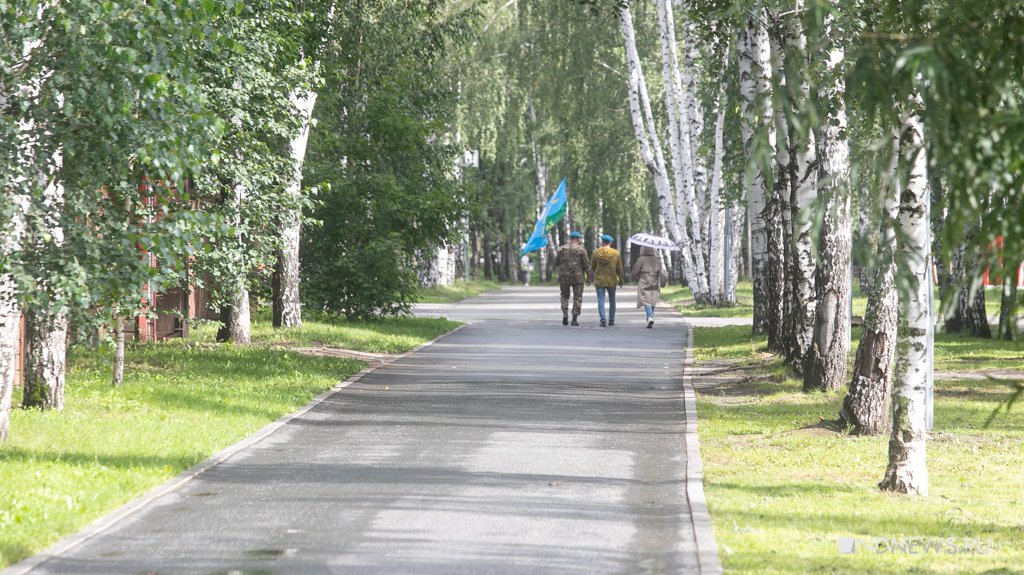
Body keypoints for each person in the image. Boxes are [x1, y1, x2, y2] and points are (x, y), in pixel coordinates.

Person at [590, 234, 624, 327]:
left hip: (599, 280)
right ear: (611, 242)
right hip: (612, 280)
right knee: (612, 300)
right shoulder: (616, 253)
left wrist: (590, 277)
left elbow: (592, 266)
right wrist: (621, 279)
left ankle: (603, 320)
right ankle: (611, 320)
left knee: (601, 300)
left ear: (602, 242)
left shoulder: (596, 253)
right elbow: (619, 268)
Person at [556, 231, 589, 326]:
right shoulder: (581, 250)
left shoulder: (561, 249)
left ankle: (565, 313)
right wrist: (589, 277)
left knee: (564, 295)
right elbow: (586, 265)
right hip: (577, 277)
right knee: (577, 298)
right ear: (578, 239)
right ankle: (574, 319)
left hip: (564, 277)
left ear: (570, 239)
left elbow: (556, 262)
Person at [631, 245, 663, 328]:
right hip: (655, 280)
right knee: (652, 299)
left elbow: (635, 270)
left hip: (644, 280)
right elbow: (661, 270)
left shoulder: (641, 259)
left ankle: (649, 317)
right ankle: (650, 317)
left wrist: (633, 277)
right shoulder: (657, 259)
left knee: (645, 299)